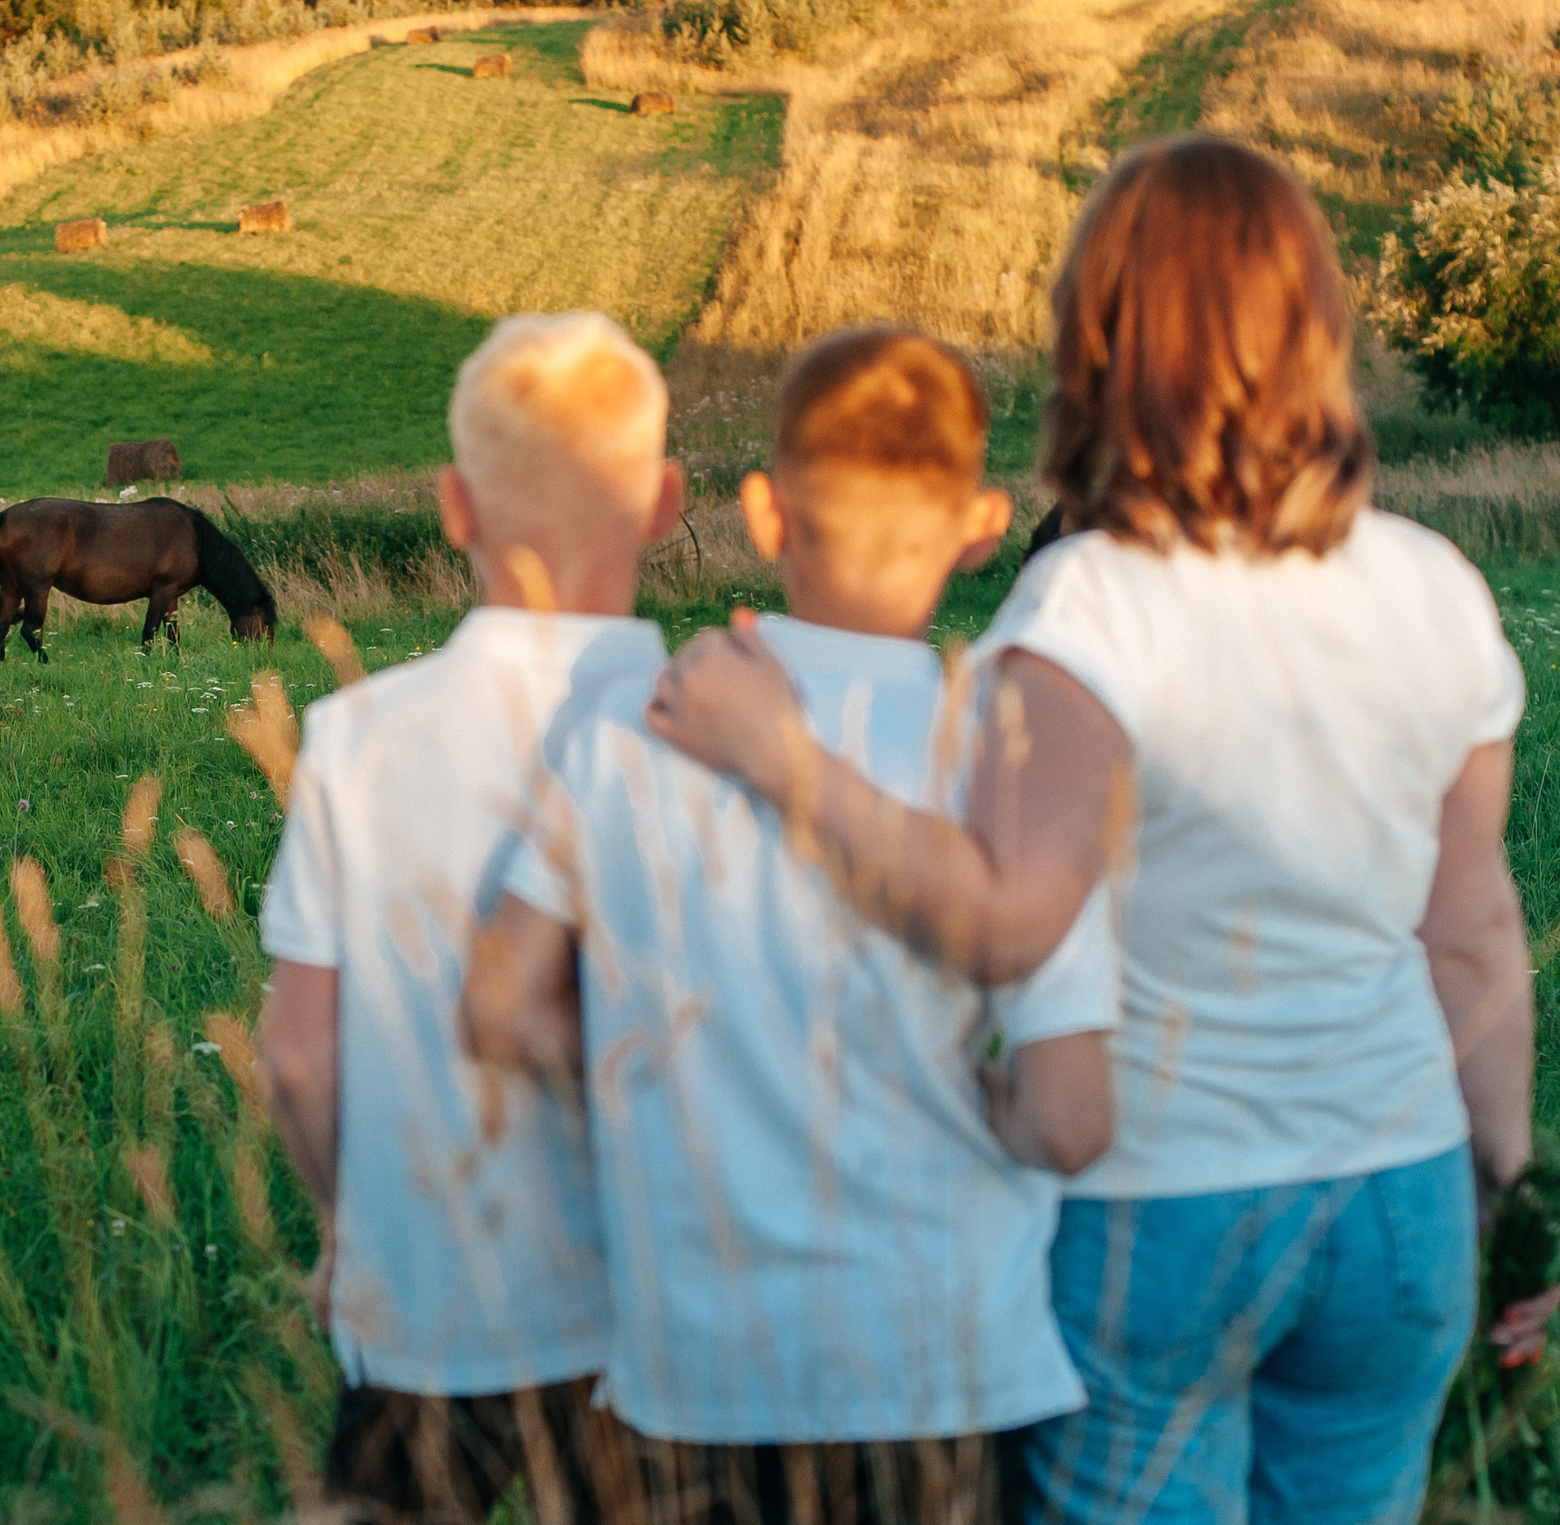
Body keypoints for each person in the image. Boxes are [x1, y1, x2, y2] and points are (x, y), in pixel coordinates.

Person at [645, 134, 1554, 1524]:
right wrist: (1505, 1182)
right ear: (1317, 328)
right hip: (1400, 1189)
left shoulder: (1087, 609)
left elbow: (1013, 917)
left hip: (1168, 1204)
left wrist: (783, 759)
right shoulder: (1434, 586)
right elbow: (1476, 933)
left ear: (1101, 341)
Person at [460, 326, 1116, 1524]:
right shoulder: (1008, 747)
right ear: (979, 526)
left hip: (688, 1368)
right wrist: (968, 1101)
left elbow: (499, 1002)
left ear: (763, 515)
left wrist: (649, 1077)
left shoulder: (627, 720)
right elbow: (1069, 1118)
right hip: (943, 1361)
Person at [255, 310, 687, 1522]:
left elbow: (295, 1056)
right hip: (666, 1316)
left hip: (425, 1297)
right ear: (663, 502)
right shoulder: (715, 728)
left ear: (454, 505)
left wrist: (349, 1232)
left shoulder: (356, 738)